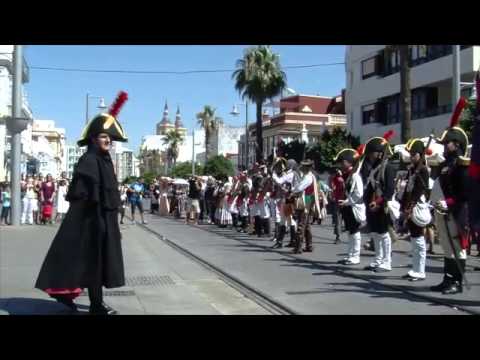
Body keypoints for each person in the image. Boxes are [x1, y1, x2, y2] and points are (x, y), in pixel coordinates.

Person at [35, 90, 129, 314]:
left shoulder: (105, 161)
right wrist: (94, 223)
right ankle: (96, 304)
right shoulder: (88, 160)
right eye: (103, 137)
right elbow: (83, 197)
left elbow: (110, 196)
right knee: (88, 263)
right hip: (90, 223)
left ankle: (93, 302)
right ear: (93, 139)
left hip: (103, 222)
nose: (108, 140)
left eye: (110, 138)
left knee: (98, 264)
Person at [430, 104, 471, 294]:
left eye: (449, 142)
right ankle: (447, 279)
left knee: (457, 248)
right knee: (447, 247)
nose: (445, 145)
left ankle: (457, 282)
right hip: (443, 211)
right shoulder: (446, 164)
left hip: (456, 212)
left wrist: (448, 203)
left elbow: (464, 194)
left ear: (457, 144)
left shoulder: (462, 166)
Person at [361, 130, 396, 273]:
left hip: (382, 206)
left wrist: (379, 202)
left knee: (383, 234)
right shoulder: (373, 169)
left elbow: (389, 190)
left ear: (380, 153)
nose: (370, 155)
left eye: (372, 152)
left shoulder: (387, 167)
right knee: (375, 233)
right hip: (372, 205)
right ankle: (378, 259)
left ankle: (386, 262)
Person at [399, 139, 431, 281]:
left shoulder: (423, 170)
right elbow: (407, 189)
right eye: (411, 154)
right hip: (409, 206)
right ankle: (415, 268)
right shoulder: (411, 169)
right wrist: (403, 206)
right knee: (414, 239)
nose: (412, 156)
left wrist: (410, 207)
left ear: (420, 154)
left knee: (418, 240)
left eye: (414, 154)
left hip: (416, 206)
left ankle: (420, 270)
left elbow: (419, 191)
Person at [335, 148, 365, 266]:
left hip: (353, 207)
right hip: (348, 207)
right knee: (350, 232)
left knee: (355, 232)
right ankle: (350, 255)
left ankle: (355, 256)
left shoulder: (355, 176)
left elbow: (358, 193)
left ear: (349, 162)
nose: (341, 164)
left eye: (343, 162)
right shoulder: (348, 175)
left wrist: (347, 202)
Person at [291, 159, 320, 254]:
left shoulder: (308, 177)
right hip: (308, 200)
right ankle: (309, 245)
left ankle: (298, 247)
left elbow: (299, 188)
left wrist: (292, 191)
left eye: (303, 166)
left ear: (307, 167)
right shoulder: (310, 176)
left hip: (306, 201)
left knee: (301, 224)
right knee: (306, 225)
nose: (301, 168)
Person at [329, 168, 344, 244]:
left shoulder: (336, 179)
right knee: (338, 219)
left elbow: (332, 188)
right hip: (341, 200)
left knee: (337, 219)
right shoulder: (339, 179)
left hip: (339, 200)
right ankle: (338, 236)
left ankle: (338, 236)